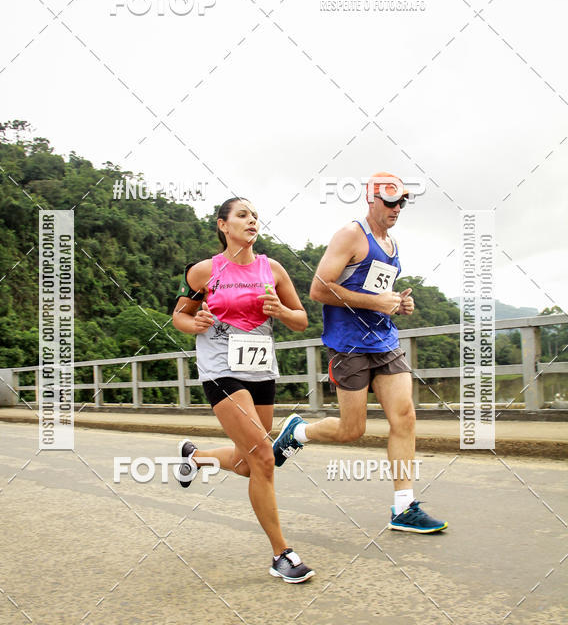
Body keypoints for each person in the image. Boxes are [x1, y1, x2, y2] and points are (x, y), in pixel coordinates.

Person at [272, 173, 448, 533]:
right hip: (348, 345)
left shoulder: (392, 243)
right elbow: (319, 289)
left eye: (402, 201)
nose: (397, 208)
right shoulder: (351, 235)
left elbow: (379, 294)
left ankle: (404, 508)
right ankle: (298, 432)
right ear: (370, 199)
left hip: (384, 342)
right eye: (390, 201)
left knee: (405, 417)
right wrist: (376, 301)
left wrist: (399, 304)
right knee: (352, 430)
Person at [172, 197, 315, 582]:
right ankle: (281, 554)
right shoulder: (205, 272)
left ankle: (195, 456)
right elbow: (179, 315)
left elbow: (301, 320)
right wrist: (196, 322)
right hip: (221, 369)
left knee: (248, 462)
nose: (251, 220)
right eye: (242, 215)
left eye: (254, 215)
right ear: (223, 225)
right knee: (265, 458)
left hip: (260, 369)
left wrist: (281, 312)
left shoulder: (273, 269)